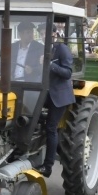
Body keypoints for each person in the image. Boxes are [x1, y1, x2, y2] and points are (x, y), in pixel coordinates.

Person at [39, 27, 75, 178]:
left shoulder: (62, 49)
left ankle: (48, 166)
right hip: (42, 92)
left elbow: (67, 73)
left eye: (46, 33)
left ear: (54, 34)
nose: (43, 36)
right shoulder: (41, 49)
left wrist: (50, 65)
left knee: (51, 127)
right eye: (41, 33)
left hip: (58, 95)